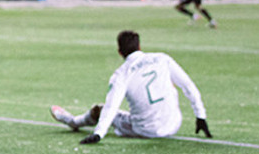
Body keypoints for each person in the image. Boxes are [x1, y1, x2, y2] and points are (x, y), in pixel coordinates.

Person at [50, 30, 212, 144]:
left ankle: (73, 121)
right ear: (140, 46)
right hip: (173, 125)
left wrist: (98, 134)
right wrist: (200, 116)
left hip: (144, 130)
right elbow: (188, 86)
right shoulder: (163, 59)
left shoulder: (121, 74)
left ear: (120, 52)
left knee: (99, 109)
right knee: (170, 83)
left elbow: (111, 107)